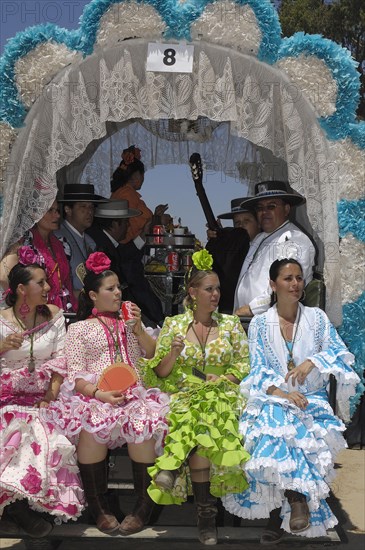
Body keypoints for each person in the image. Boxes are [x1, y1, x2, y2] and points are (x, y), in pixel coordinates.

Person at [223, 258, 360, 543]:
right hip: (272, 396)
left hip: (312, 398)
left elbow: (339, 351)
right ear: (273, 285)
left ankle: (281, 515)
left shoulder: (317, 318)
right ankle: (295, 502)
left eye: (298, 278)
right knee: (276, 424)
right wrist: (282, 394)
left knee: (290, 427)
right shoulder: (260, 324)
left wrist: (312, 361)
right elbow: (257, 369)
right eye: (287, 278)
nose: (295, 284)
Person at [139, 249, 250, 546]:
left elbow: (243, 364)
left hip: (222, 391)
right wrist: (173, 352)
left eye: (217, 289)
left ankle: (172, 470)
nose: (215, 294)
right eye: (209, 289)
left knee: (208, 412)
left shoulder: (230, 325)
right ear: (192, 292)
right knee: (194, 415)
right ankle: (206, 517)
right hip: (184, 391)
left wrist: (223, 378)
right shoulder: (174, 325)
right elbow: (160, 374)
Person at [53, 252, 169, 535]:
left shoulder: (130, 325)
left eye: (119, 287)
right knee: (92, 428)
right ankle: (99, 506)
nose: (118, 293)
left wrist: (139, 329)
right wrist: (99, 394)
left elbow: (151, 355)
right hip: (96, 397)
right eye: (110, 288)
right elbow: (76, 375)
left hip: (135, 397)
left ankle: (143, 506)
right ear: (93, 295)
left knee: (141, 426)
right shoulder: (79, 329)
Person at [0, 262, 84, 537]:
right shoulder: (1, 320)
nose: (48, 288)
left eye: (47, 281)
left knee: (41, 433)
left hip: (45, 396)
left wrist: (50, 394)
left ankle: (26, 512)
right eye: (41, 283)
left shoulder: (55, 316)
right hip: (5, 396)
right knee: (11, 431)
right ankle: (19, 512)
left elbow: (62, 359)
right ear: (21, 289)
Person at [233, 181, 316, 317]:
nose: (264, 212)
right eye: (259, 208)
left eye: (271, 206)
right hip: (248, 319)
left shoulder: (294, 239)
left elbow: (288, 285)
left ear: (286, 209)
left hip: (274, 321)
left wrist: (251, 309)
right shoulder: (260, 238)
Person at [87, 200, 164, 326]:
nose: (128, 227)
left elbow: (124, 253)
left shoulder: (105, 240)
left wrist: (144, 234)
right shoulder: (100, 244)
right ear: (115, 224)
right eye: (126, 223)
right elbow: (123, 258)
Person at [0, 201, 77, 311]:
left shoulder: (61, 244)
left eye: (57, 211)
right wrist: (22, 305)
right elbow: (3, 277)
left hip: (62, 310)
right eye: (50, 210)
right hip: (36, 312)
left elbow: (66, 282)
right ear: (35, 214)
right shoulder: (24, 242)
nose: (57, 215)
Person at [206, 199, 260, 313]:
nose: (241, 226)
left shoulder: (265, 246)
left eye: (246, 221)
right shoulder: (231, 248)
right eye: (237, 223)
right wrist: (219, 238)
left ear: (258, 223)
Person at [55, 183, 106, 297]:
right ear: (68, 209)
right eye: (83, 206)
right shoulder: (59, 239)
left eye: (91, 207)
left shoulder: (90, 242)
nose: (89, 212)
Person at [110, 145, 168, 245]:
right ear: (137, 175)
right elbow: (132, 227)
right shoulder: (127, 194)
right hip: (126, 251)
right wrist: (159, 220)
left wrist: (156, 216)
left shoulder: (123, 192)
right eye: (142, 174)